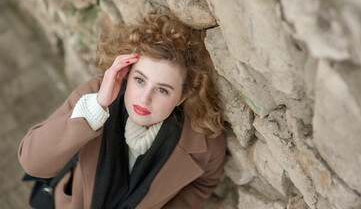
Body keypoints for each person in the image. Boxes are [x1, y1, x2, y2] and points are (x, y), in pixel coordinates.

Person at [18, 13, 226, 209]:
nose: (144, 99)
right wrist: (96, 108)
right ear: (126, 73)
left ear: (182, 97)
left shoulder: (206, 143)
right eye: (139, 80)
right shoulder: (95, 97)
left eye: (162, 90)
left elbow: (202, 186)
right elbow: (32, 163)